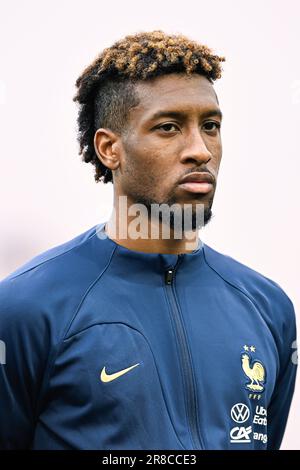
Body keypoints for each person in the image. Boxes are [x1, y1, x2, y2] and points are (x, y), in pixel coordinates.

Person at [0, 30, 297, 450]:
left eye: (210, 126)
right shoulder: (25, 308)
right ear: (109, 149)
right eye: (169, 127)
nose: (200, 150)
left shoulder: (269, 307)